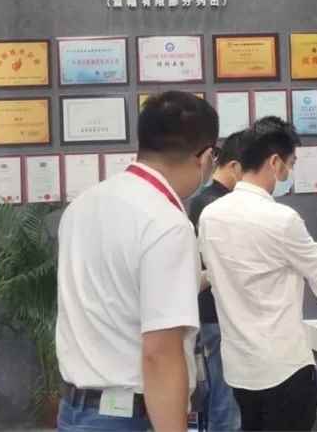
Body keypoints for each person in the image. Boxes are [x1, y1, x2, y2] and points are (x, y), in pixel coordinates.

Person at [199, 117, 317, 432]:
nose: (288, 173)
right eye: (290, 164)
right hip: (283, 366)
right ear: (274, 162)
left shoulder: (210, 215)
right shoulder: (281, 218)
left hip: (240, 366)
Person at [56, 91, 219, 432]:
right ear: (205, 157)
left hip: (76, 410)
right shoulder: (166, 223)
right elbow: (160, 353)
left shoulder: (83, 205)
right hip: (128, 417)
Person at [188, 131, 245, 432]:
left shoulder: (215, 201)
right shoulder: (210, 203)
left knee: (225, 397)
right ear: (234, 166)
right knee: (225, 399)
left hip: (221, 312)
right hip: (216, 313)